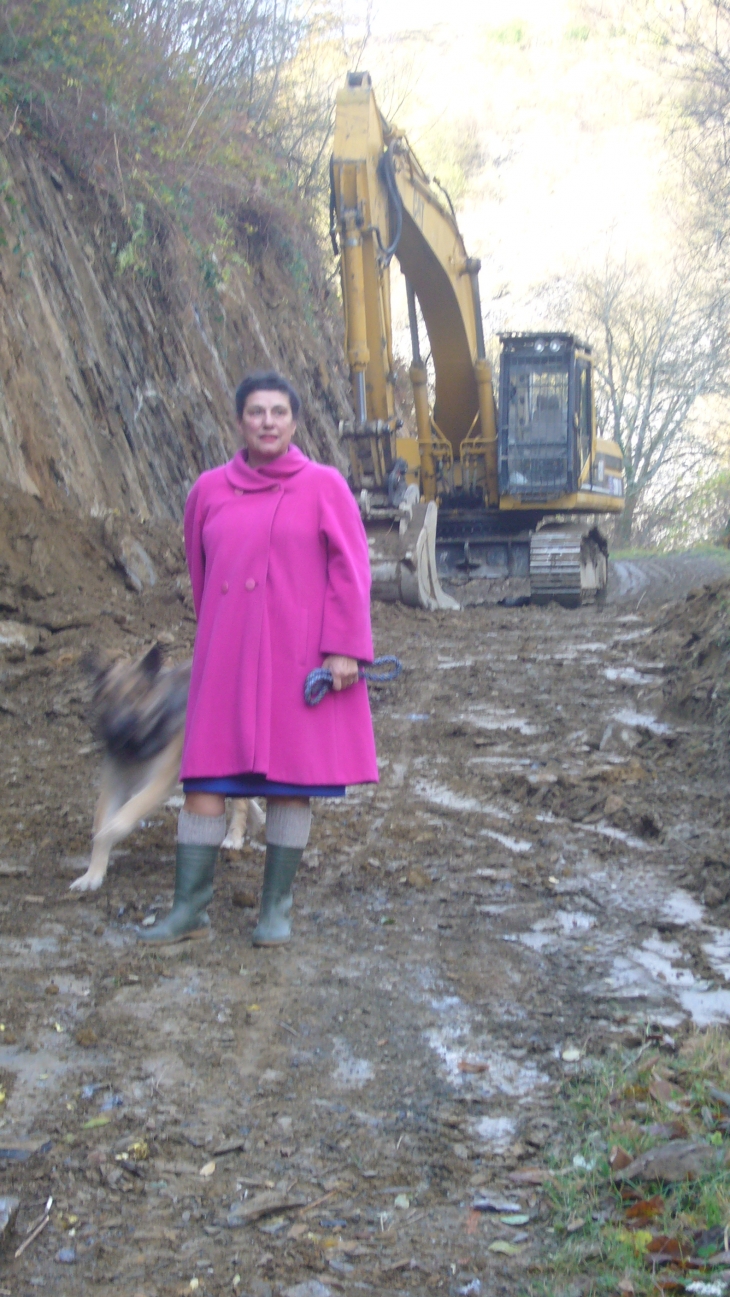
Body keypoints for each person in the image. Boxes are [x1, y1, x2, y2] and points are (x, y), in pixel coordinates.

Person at [141, 370, 378, 947]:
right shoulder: (207, 490)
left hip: (295, 657)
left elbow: (352, 569)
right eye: (256, 412)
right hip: (225, 655)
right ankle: (188, 910)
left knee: (289, 782)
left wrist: (344, 647)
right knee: (203, 781)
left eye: (278, 412)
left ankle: (276, 911)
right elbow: (202, 573)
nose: (267, 421)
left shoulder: (324, 486)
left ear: (295, 422)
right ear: (240, 420)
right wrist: (223, 634)